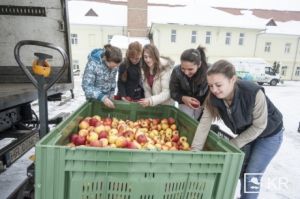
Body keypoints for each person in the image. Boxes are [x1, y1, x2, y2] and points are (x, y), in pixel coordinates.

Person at [191, 60, 284, 199]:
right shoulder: (213, 98)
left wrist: (233, 144)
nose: (214, 90)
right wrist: (195, 150)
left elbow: (259, 126)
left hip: (269, 135)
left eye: (218, 85)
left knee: (251, 174)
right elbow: (204, 124)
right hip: (247, 134)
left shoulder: (253, 93)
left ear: (232, 79)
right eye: (210, 86)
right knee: (242, 171)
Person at [169, 46, 209, 120]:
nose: (186, 72)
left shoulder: (209, 72)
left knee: (199, 123)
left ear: (199, 64)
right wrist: (183, 98)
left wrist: (204, 107)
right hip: (184, 103)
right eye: (183, 68)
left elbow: (211, 94)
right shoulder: (176, 71)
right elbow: (173, 92)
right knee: (185, 121)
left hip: (203, 104)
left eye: (190, 69)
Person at [82, 44, 122, 109]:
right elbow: (87, 87)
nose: (114, 68)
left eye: (116, 66)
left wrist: (111, 95)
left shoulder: (114, 65)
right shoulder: (93, 64)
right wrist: (102, 98)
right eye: (112, 66)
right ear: (105, 58)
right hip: (94, 101)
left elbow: (112, 80)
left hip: (107, 101)